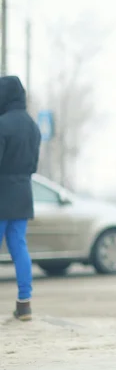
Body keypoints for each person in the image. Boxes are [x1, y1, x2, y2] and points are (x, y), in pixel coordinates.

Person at [0, 76, 41, 321]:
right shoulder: (33, 126)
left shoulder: (2, 124)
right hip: (23, 193)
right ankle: (24, 303)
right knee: (19, 247)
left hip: (1, 193)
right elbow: (34, 165)